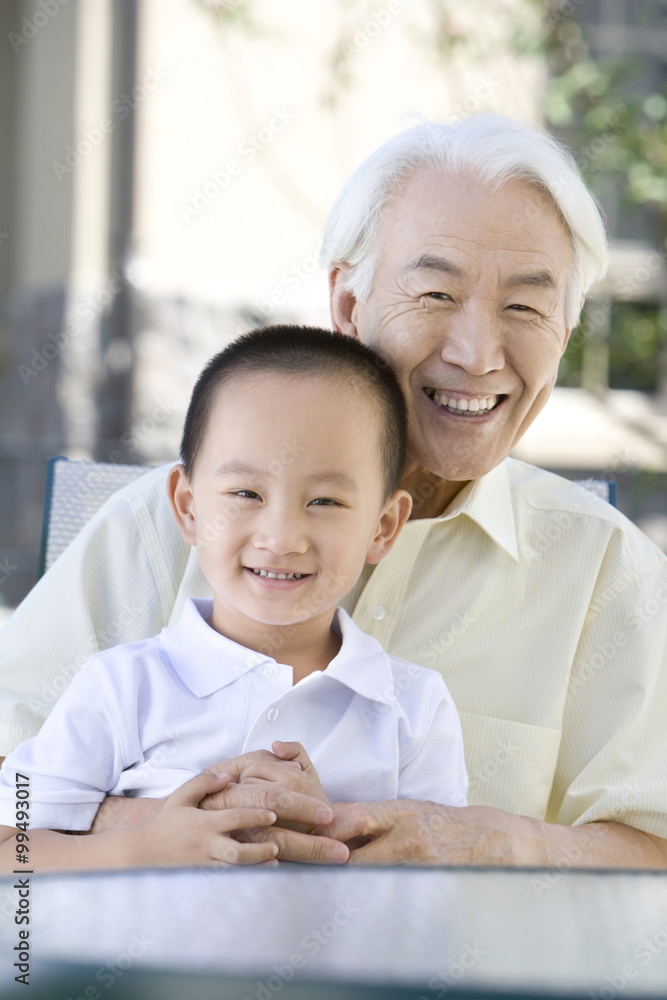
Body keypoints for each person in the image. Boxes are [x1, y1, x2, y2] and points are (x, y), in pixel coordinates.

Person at [0, 114, 665, 868]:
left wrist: (506, 841)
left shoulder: (609, 573)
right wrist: (166, 828)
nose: (478, 354)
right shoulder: (151, 528)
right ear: (348, 307)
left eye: (524, 307)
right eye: (436, 294)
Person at [0, 326, 467, 871]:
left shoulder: (412, 710)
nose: (281, 537)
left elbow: (437, 895)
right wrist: (145, 846)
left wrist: (329, 831)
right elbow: (13, 849)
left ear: (384, 526)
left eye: (325, 500)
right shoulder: (119, 688)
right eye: (246, 493)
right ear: (189, 507)